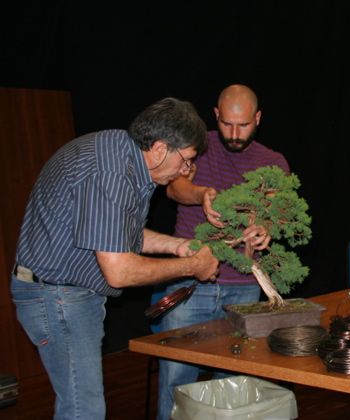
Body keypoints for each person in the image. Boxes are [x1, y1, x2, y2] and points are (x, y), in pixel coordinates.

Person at [10, 97, 220, 420]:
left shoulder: (124, 157)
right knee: (84, 411)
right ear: (160, 149)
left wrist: (178, 246)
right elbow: (119, 270)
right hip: (57, 296)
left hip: (63, 294)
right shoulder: (111, 173)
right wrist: (194, 266)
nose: (186, 171)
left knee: (82, 407)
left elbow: (118, 234)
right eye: (187, 160)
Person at [156, 84, 289, 420]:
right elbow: (174, 187)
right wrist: (201, 194)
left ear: (258, 118)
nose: (233, 133)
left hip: (243, 286)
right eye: (226, 123)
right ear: (215, 115)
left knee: (232, 382)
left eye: (242, 125)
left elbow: (277, 211)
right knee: (177, 379)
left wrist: (265, 228)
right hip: (191, 282)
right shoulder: (196, 147)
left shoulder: (273, 162)